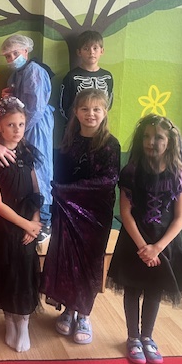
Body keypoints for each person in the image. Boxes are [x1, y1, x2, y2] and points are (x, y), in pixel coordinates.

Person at [107, 114, 182, 364]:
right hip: (134, 241)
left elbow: (179, 218)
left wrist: (157, 248)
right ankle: (133, 337)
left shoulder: (178, 175)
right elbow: (125, 213)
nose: (151, 142)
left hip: (163, 243)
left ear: (170, 141)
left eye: (158, 137)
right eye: (146, 136)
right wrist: (143, 246)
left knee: (154, 288)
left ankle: (147, 337)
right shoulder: (131, 172)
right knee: (132, 288)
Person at [39, 89, 120, 345]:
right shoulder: (68, 141)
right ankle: (69, 308)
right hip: (66, 210)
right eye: (85, 109)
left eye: (96, 109)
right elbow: (58, 175)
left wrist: (67, 190)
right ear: (76, 112)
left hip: (95, 215)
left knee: (88, 263)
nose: (90, 114)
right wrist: (58, 194)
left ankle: (84, 313)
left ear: (105, 112)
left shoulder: (110, 144)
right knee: (67, 260)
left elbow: (107, 181)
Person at [0, 96, 43, 352]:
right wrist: (24, 224)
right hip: (4, 226)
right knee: (6, 272)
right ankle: (10, 321)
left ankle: (23, 323)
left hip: (28, 223)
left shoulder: (28, 152)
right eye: (10, 125)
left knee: (25, 273)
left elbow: (36, 189)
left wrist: (35, 221)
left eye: (21, 124)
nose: (17, 130)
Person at [0, 35, 55, 243]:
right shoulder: (16, 75)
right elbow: (17, 104)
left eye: (15, 53)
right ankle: (24, 215)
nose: (12, 58)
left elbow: (35, 107)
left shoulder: (34, 71)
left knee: (39, 171)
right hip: (22, 127)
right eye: (8, 56)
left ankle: (44, 221)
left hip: (35, 126)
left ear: (26, 51)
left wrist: (20, 130)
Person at [59, 30, 114, 121]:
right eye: (86, 48)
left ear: (102, 51)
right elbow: (63, 105)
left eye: (95, 48)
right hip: (76, 124)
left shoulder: (107, 76)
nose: (91, 52)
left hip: (100, 124)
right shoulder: (71, 77)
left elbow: (109, 102)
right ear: (79, 52)